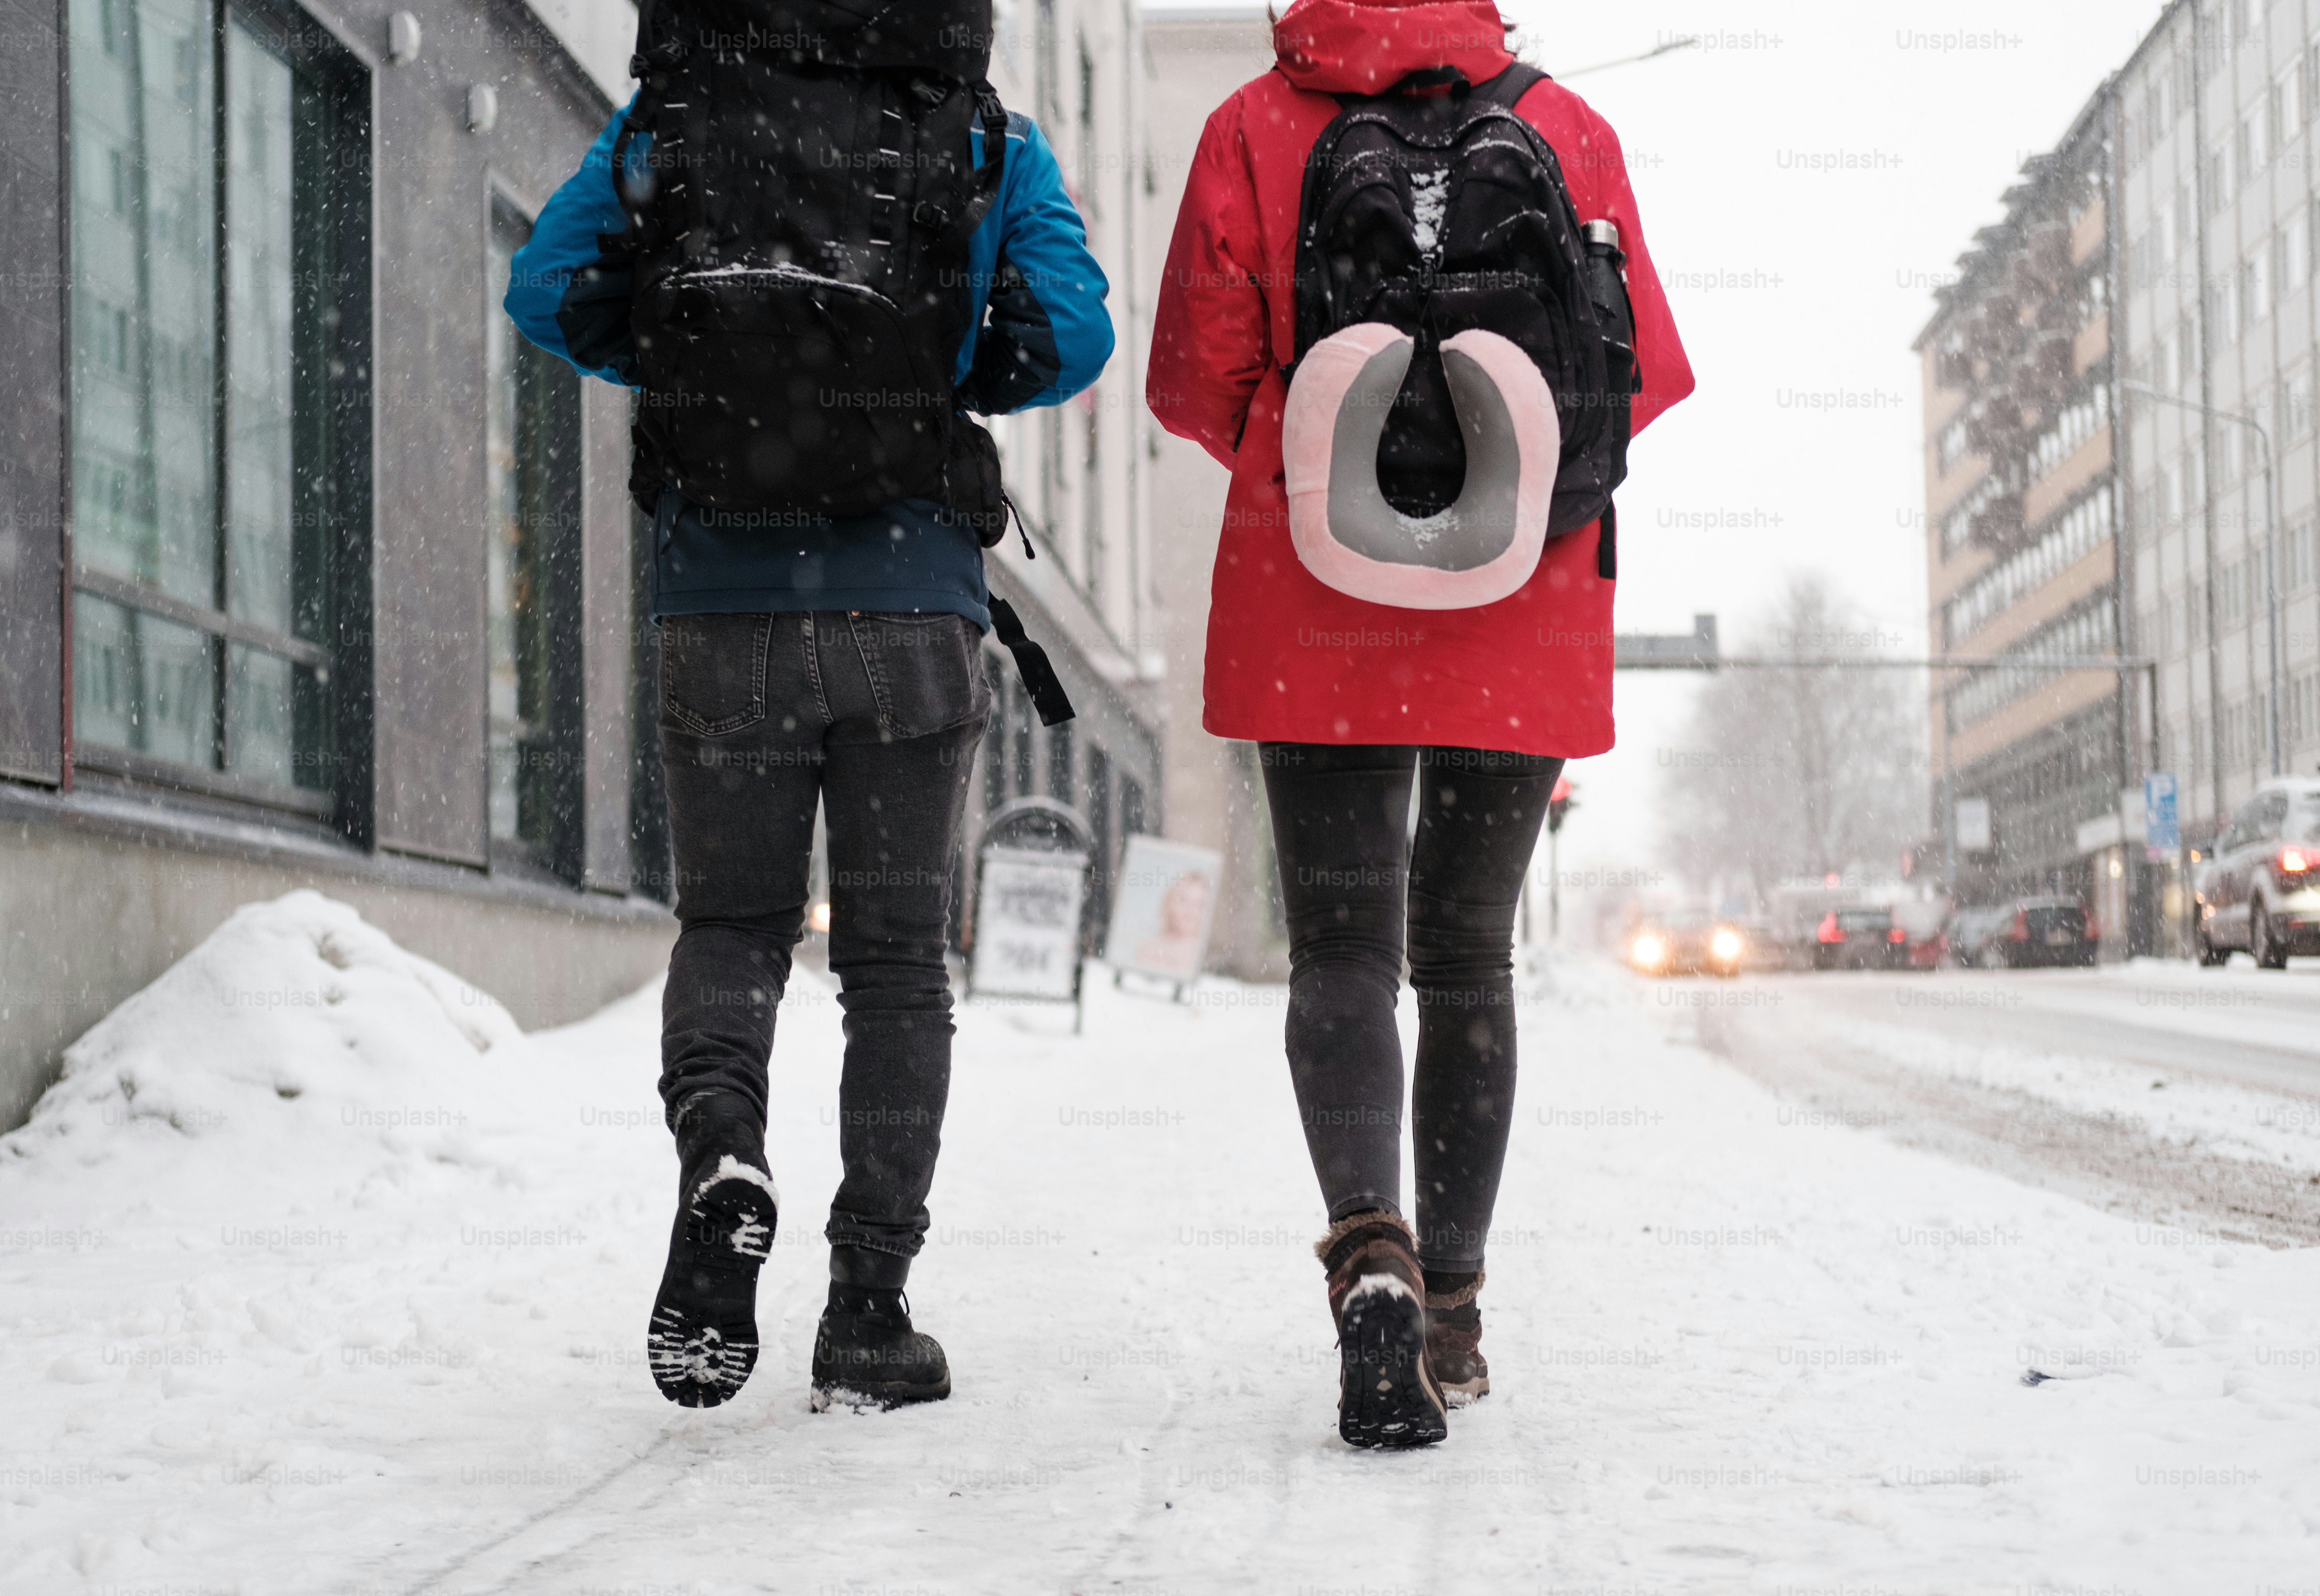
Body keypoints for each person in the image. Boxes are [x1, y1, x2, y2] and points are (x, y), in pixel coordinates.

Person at [507, 0, 1111, 1413]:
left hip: (720, 595)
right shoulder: (977, 130)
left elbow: (546, 289)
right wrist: (932, 379)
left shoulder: (674, 117)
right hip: (910, 604)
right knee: (897, 964)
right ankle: (867, 1306)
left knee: (732, 925)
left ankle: (724, 1153)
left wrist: (690, 367)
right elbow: (1071, 336)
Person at [1149, 0, 1692, 1447]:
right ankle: (1448, 1310)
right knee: (1464, 959)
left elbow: (1193, 382)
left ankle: (1367, 1255)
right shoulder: (1569, 130)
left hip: (1311, 585)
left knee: (1340, 947)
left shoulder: (1250, 130)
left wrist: (1329, 472)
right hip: (1516, 594)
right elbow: (1635, 380)